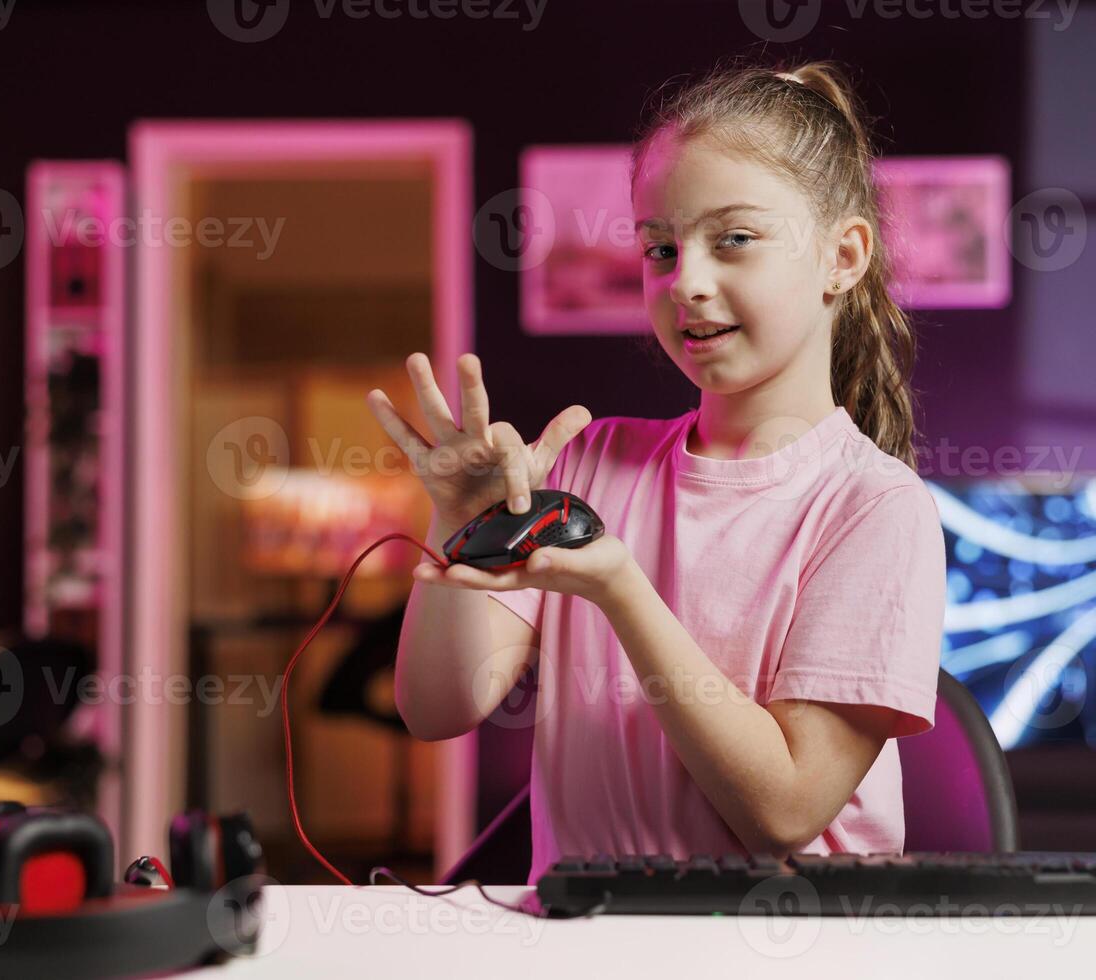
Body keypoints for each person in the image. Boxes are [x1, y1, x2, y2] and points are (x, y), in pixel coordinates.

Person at [368, 60, 947, 887]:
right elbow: (436, 707)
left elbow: (785, 807)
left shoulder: (875, 508)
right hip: (589, 943)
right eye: (661, 248)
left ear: (843, 256)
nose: (688, 283)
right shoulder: (592, 460)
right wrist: (454, 528)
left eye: (734, 239)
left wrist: (621, 591)